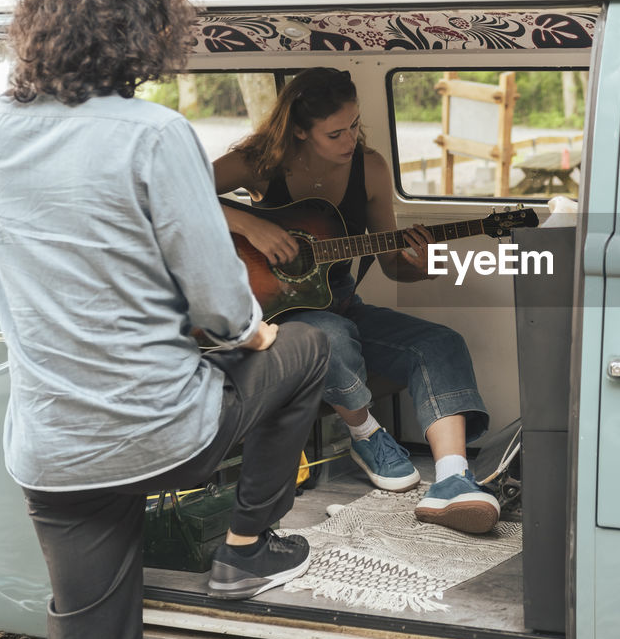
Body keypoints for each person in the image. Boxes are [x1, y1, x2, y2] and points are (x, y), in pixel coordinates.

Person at [0, 0, 330, 639]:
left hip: (55, 447)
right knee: (309, 348)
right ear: (148, 23)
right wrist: (248, 332)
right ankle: (245, 548)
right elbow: (221, 307)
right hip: (163, 433)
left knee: (92, 632)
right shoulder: (156, 135)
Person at [212, 67, 500, 535]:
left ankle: (452, 480)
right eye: (335, 132)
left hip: (342, 301)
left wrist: (420, 262)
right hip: (279, 318)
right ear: (299, 130)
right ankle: (365, 435)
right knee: (332, 337)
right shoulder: (260, 161)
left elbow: (392, 264)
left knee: (440, 343)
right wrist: (251, 226)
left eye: (354, 125)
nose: (350, 140)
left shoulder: (371, 168)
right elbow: (176, 193)